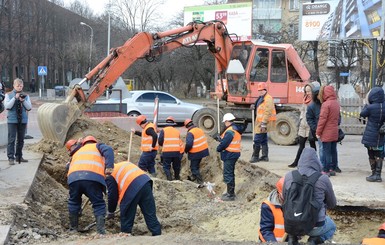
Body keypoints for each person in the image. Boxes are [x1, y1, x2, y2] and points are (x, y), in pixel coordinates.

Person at [283, 147, 337, 244]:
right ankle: (314, 240)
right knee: (332, 226)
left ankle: (292, 239)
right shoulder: (323, 178)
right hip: (314, 225)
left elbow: (284, 198)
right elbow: (332, 203)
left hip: (291, 225)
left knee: (294, 222)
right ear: (316, 161)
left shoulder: (289, 176)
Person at [66, 135, 114, 235]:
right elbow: (109, 150)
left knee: (74, 202)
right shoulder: (98, 146)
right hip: (93, 178)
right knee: (98, 203)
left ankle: (73, 229)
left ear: (83, 143)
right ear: (94, 141)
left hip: (74, 178)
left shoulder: (78, 151)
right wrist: (109, 167)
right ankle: (100, 231)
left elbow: (68, 167)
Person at [106, 161, 161, 236]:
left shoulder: (110, 175)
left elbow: (112, 195)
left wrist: (111, 211)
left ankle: (125, 235)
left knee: (126, 215)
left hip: (131, 187)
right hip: (145, 182)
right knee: (150, 212)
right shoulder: (122, 164)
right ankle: (157, 234)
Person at [359, 86, 385, 182]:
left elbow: (362, 114)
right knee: (379, 154)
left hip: (371, 134)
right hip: (381, 134)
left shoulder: (370, 107)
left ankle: (374, 173)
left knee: (371, 153)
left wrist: (366, 105)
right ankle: (378, 174)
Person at [4, 78, 32, 165]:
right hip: (12, 120)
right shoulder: (8, 95)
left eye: (21, 86)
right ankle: (11, 158)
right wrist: (14, 98)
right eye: (18, 86)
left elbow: (29, 108)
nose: (19, 87)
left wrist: (23, 101)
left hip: (22, 120)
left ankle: (19, 156)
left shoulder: (26, 96)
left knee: (21, 140)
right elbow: (7, 106)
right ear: (14, 86)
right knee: (11, 139)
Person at [289, 83, 317, 168]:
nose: (307, 93)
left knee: (312, 145)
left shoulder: (315, 101)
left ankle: (315, 162)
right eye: (306, 91)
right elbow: (302, 110)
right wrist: (301, 119)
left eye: (309, 91)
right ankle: (296, 162)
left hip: (310, 125)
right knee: (301, 145)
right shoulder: (305, 99)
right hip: (303, 125)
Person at [216, 113, 241, 201]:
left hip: (230, 154)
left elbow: (225, 143)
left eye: (225, 122)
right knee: (230, 173)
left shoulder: (230, 131)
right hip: (234, 154)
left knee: (228, 173)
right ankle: (230, 192)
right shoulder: (235, 129)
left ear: (227, 121)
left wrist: (218, 148)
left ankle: (230, 195)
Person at [316, 85, 341, 176]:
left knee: (326, 151)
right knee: (333, 151)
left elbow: (322, 119)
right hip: (334, 131)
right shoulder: (336, 103)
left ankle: (326, 170)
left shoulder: (326, 104)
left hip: (327, 132)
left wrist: (318, 132)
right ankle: (332, 169)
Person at [250, 82, 276, 163]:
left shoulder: (268, 98)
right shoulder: (261, 97)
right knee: (263, 139)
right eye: (259, 90)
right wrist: (254, 106)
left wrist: (263, 123)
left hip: (263, 123)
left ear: (265, 90)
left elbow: (267, 111)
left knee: (257, 139)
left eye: (262, 90)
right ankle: (265, 156)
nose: (260, 91)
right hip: (260, 122)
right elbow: (259, 106)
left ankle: (255, 156)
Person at [258, 177, 285, 242]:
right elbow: (266, 230)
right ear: (279, 193)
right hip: (271, 241)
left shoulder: (296, 204)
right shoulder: (268, 206)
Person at [184, 118, 209, 184]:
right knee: (196, 165)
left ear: (186, 126)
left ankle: (200, 182)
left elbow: (189, 144)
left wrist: (186, 150)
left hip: (196, 152)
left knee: (194, 168)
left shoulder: (190, 133)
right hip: (203, 151)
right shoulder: (199, 130)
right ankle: (194, 177)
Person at [158, 116, 182, 181]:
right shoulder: (177, 131)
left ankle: (169, 179)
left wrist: (164, 144)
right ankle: (177, 178)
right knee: (176, 166)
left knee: (166, 166)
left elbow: (160, 141)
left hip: (167, 152)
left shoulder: (164, 130)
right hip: (176, 152)